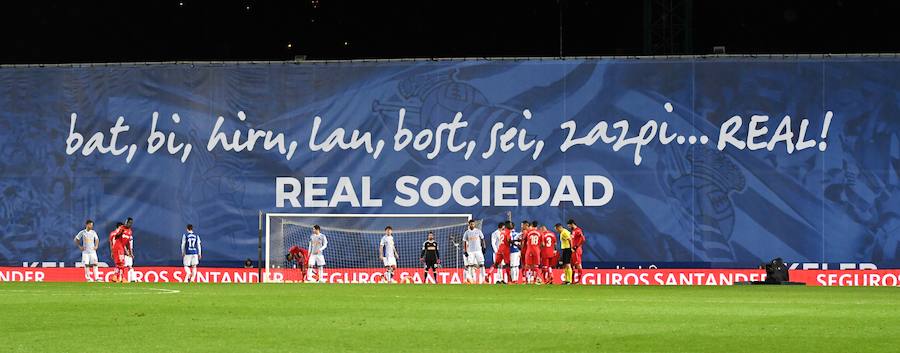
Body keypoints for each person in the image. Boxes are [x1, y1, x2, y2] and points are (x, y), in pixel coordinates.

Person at [462, 219, 486, 284]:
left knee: (481, 264)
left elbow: (482, 239)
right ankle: (471, 279)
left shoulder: (478, 231)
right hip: (470, 252)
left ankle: (483, 280)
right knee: (470, 266)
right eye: (471, 224)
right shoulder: (467, 232)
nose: (472, 225)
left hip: (478, 250)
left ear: (474, 224)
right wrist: (465, 250)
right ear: (469, 224)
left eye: (473, 224)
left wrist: (484, 247)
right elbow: (464, 242)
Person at [568, 219, 585, 284]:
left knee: (578, 264)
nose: (569, 227)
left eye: (569, 226)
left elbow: (583, 239)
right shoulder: (573, 231)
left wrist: (576, 246)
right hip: (573, 250)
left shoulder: (578, 230)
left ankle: (579, 281)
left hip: (577, 250)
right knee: (572, 265)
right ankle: (572, 280)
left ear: (572, 224)